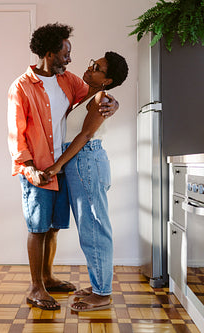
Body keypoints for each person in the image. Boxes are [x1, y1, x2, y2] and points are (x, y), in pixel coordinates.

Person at [7, 23, 119, 311]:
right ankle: (36, 287)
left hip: (65, 166)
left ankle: (48, 276)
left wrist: (112, 102)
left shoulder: (69, 81)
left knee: (54, 227)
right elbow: (15, 132)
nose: (70, 59)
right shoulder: (21, 86)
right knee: (38, 227)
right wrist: (28, 166)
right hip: (39, 166)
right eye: (66, 53)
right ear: (49, 53)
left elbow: (96, 98)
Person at [45, 51, 129, 311]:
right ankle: (97, 284)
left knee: (94, 227)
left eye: (97, 68)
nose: (90, 68)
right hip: (82, 163)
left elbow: (84, 135)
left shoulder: (101, 97)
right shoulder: (88, 95)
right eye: (93, 63)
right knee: (89, 227)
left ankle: (103, 293)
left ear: (107, 80)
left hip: (86, 161)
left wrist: (57, 164)